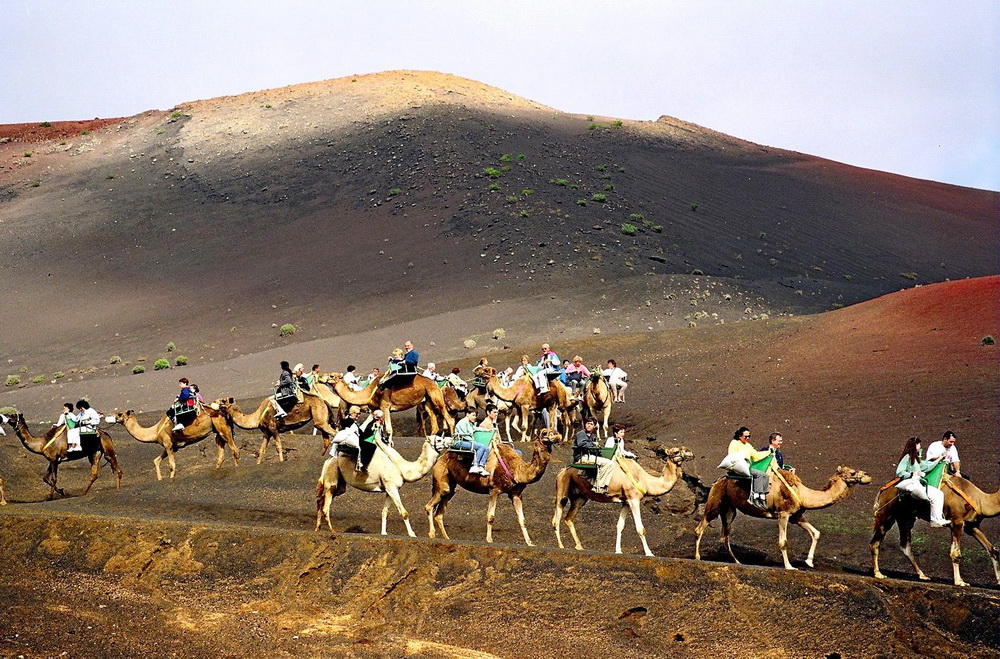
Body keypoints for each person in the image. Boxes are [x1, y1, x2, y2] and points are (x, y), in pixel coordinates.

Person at [895, 437, 949, 527]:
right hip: (911, 482)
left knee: (938, 494)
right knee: (923, 493)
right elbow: (899, 472)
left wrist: (940, 458)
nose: (920, 446)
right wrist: (912, 474)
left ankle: (937, 519)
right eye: (919, 444)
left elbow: (928, 466)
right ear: (915, 445)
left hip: (918, 483)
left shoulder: (916, 459)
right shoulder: (907, 457)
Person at [722, 427, 772, 508]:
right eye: (746, 437)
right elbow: (732, 455)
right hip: (739, 467)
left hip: (747, 467)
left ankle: (762, 498)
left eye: (749, 436)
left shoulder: (748, 446)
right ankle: (755, 497)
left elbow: (756, 456)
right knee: (758, 474)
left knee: (765, 475)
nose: (747, 438)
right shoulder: (734, 443)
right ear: (739, 436)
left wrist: (769, 452)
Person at [573, 418, 615, 493]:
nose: (589, 425)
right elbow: (582, 444)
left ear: (594, 426)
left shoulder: (592, 436)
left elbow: (593, 448)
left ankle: (599, 483)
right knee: (608, 463)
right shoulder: (581, 434)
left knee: (610, 462)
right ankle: (599, 486)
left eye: (591, 424)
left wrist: (598, 448)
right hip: (582, 457)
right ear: (585, 424)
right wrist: (593, 444)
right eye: (587, 423)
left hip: (589, 456)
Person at [451, 408, 490, 476]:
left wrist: (486, 430)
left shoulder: (469, 423)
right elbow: (465, 435)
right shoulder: (462, 422)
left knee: (486, 448)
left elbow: (476, 428)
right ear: (467, 414)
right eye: (473, 415)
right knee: (480, 446)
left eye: (475, 415)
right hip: (459, 442)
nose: (475, 417)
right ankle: (474, 465)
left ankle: (481, 466)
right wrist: (473, 441)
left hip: (466, 441)